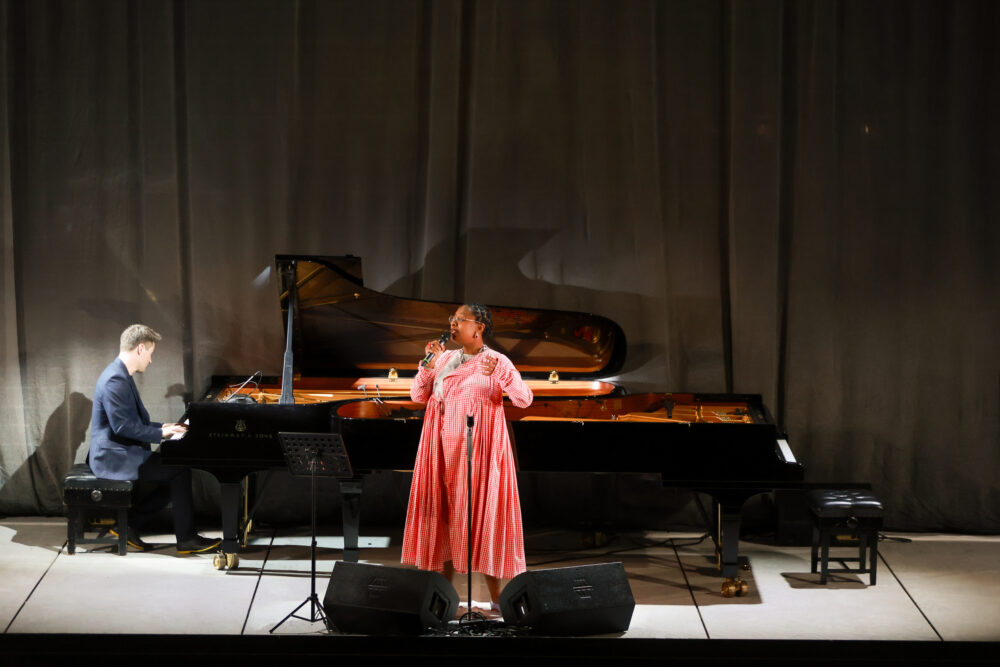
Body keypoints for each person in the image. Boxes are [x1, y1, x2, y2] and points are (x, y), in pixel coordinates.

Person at [401, 304, 533, 616]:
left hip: (480, 454)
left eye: (461, 319)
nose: (454, 323)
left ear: (480, 327)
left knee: (481, 516)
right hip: (443, 449)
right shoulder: (444, 358)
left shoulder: (496, 360)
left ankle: (499, 599)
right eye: (453, 319)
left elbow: (524, 399)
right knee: (446, 516)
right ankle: (442, 597)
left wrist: (501, 374)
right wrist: (428, 364)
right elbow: (417, 396)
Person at [89, 324, 220, 553]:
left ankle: (129, 525)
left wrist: (164, 427)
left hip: (120, 451)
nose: (150, 360)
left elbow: (131, 422)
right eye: (150, 353)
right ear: (140, 349)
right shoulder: (115, 379)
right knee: (178, 470)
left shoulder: (121, 374)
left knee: (175, 470)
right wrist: (161, 434)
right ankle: (186, 539)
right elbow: (121, 427)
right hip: (113, 457)